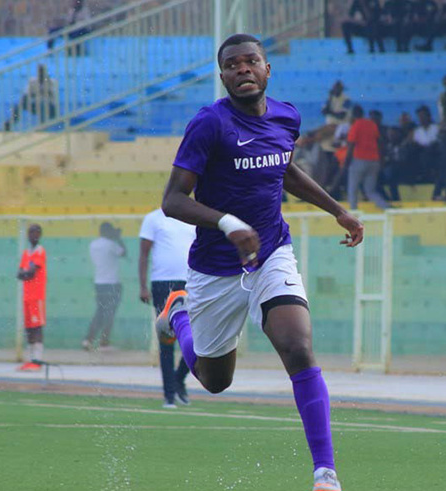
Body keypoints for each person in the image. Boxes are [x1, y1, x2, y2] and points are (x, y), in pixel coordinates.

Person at [159, 34, 363, 491]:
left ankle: (325, 474)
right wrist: (229, 223)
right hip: (215, 268)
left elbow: (285, 170)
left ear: (267, 69)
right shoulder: (209, 123)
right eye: (233, 65)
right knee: (214, 381)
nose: (243, 69)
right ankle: (178, 313)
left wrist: (337, 210)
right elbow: (172, 200)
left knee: (298, 346)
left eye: (252, 61)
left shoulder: (286, 116)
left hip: (271, 252)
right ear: (223, 75)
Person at [139, 208, 195, 408]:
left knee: (195, 337)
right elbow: (144, 253)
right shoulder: (153, 219)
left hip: (191, 282)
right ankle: (169, 394)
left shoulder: (191, 217)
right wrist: (143, 285)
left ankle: (179, 378)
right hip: (162, 283)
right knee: (166, 339)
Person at [83, 222, 126, 351]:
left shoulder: (93, 245)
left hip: (99, 283)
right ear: (108, 231)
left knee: (100, 312)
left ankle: (88, 340)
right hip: (112, 283)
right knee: (110, 313)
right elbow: (124, 252)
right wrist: (118, 237)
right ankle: (104, 343)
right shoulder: (111, 245)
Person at [344, 105, 389, 210]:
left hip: (359, 161)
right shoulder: (372, 124)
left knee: (353, 190)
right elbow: (380, 143)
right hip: (374, 161)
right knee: (370, 190)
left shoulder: (355, 125)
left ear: (353, 115)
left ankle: (353, 214)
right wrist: (381, 160)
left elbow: (351, 146)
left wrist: (346, 164)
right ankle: (386, 208)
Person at [16, 224, 47, 372]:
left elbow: (30, 273)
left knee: (37, 327)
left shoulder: (40, 251)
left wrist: (26, 272)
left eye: (35, 233)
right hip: (27, 296)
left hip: (37, 295)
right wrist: (26, 272)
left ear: (39, 235)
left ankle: (38, 360)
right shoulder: (26, 253)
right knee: (28, 328)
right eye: (30, 232)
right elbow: (20, 274)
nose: (33, 235)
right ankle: (31, 359)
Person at [3, 64, 58, 131]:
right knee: (18, 105)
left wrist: (37, 93)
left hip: (49, 106)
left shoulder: (52, 81)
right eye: (39, 71)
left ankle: (42, 126)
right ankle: (11, 122)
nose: (41, 73)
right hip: (36, 104)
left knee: (43, 104)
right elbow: (26, 94)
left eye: (42, 71)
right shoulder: (32, 81)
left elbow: (51, 95)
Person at [406, 105, 441, 186]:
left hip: (435, 153)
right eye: (419, 116)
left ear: (428, 116)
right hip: (420, 154)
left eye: (423, 116)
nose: (421, 118)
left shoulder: (436, 128)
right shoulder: (416, 131)